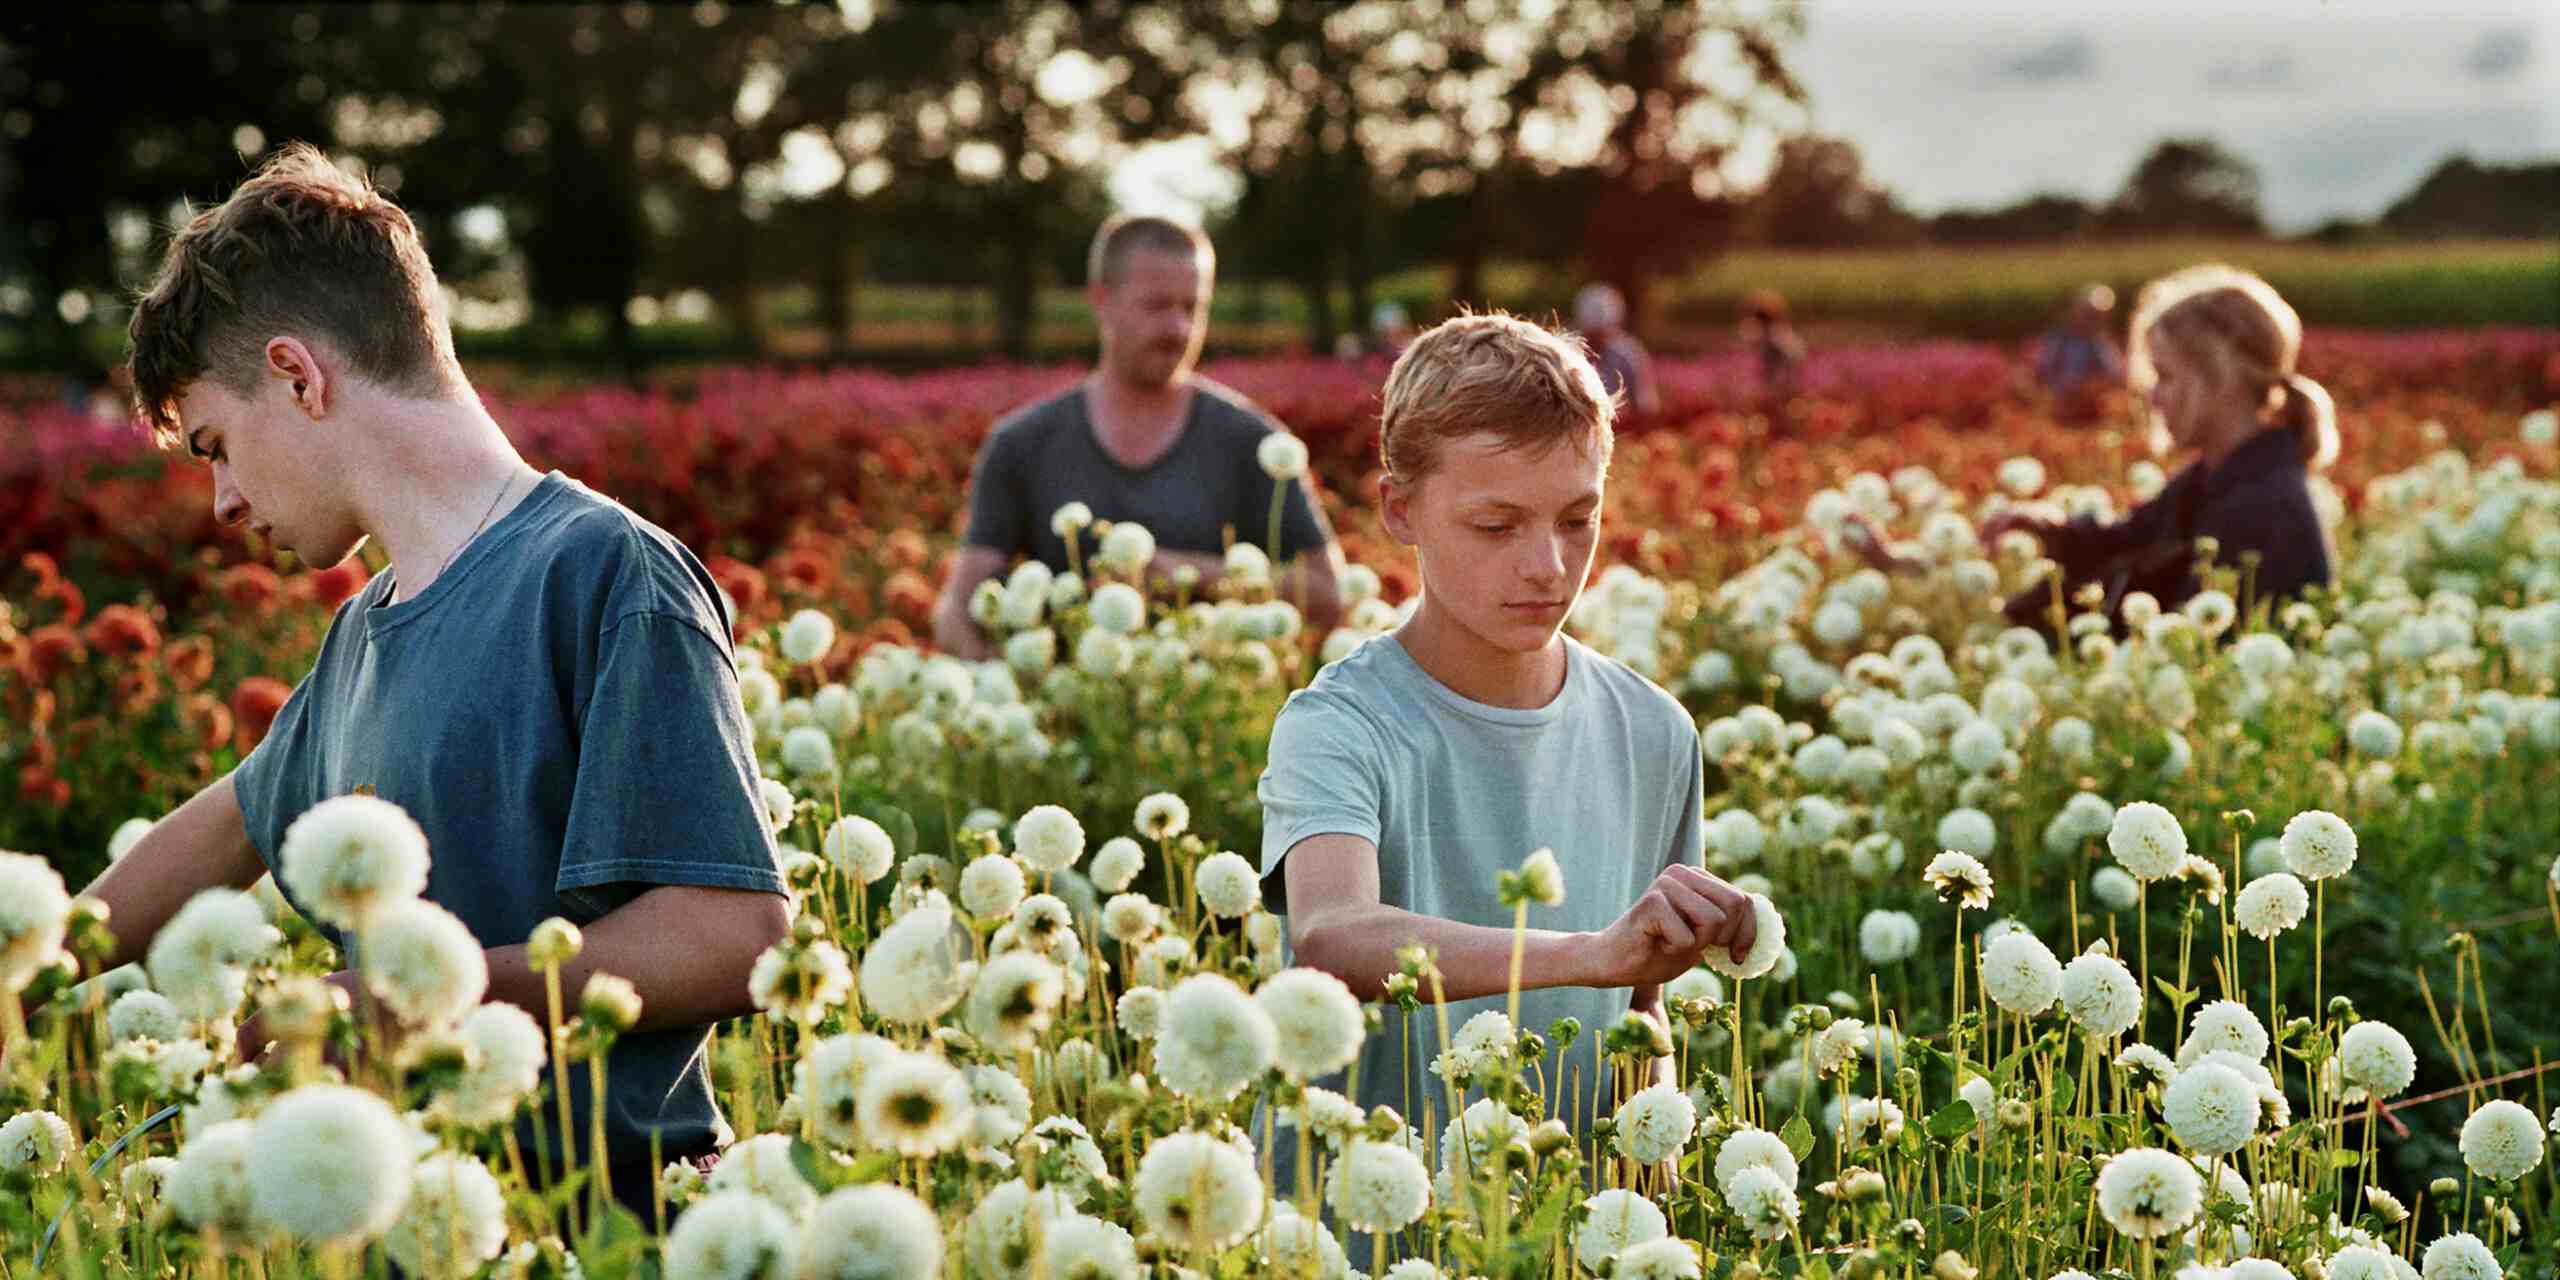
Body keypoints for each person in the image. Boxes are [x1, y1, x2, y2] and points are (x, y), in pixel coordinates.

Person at [71, 145, 789, 1225]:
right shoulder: (365, 631)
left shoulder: (602, 572)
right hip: (413, 1225)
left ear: (299, 374)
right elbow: (227, 824)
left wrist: (422, 994)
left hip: (607, 1225)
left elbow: (734, 933)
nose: (221, 500)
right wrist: (22, 975)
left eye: (216, 445)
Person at [1258, 313, 1760, 1188]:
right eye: (1497, 526)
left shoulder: (1654, 731)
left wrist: (1653, 1208)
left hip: (1552, 1231)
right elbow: (1332, 934)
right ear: (1399, 510)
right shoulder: (1338, 723)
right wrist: (1590, 953)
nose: (1549, 567)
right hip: (1356, 1230)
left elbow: (1643, 1018)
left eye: (1578, 519)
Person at [931, 215, 1345, 658]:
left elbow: (1326, 591)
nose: (1179, 329)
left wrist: (1185, 573)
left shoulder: (1253, 441)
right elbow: (958, 609)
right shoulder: (1022, 443)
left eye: (1193, 308)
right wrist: (1005, 685)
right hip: (1070, 711)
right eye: (1157, 305)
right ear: (1101, 300)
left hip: (1209, 710)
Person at [1853, 264, 2336, 631]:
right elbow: (2120, 545)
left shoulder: (2262, 509)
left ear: (2221, 377)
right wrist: (2043, 529)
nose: (2151, 394)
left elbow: (2186, 646)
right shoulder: (2217, 481)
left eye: (2165, 376)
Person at [2032, 284, 2126, 422]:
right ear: (2076, 310)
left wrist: (2089, 389)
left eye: (2099, 315)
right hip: (2057, 409)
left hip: (2092, 413)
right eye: (2089, 313)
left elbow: (2116, 377)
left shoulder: (2103, 344)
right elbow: (2041, 374)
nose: (2094, 319)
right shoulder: (2058, 340)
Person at [1572, 282, 1663, 420]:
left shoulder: (1629, 354)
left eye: (1602, 333)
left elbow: (1645, 406)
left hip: (1622, 427)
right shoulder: (1570, 352)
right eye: (1592, 335)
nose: (1597, 341)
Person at [1740, 288, 1806, 413]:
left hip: (1779, 381)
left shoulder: (1775, 334)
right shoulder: (1781, 332)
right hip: (1782, 381)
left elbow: (1792, 357)